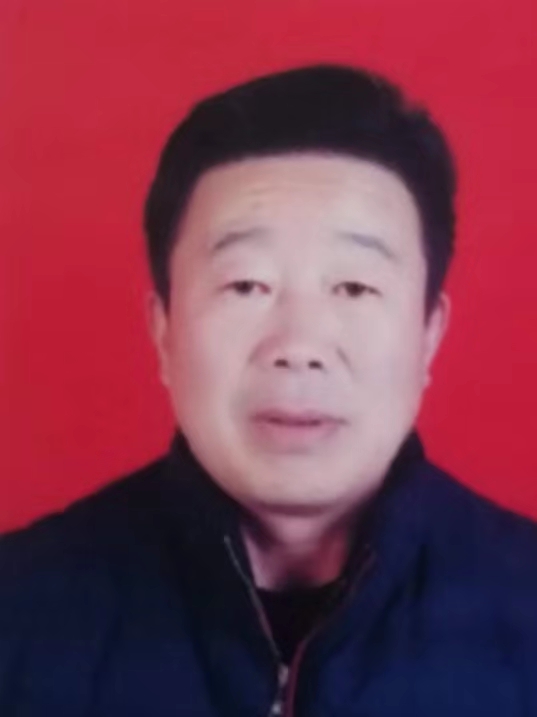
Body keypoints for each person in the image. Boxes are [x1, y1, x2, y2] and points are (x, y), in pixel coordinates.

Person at [1, 64, 536, 717]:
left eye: (355, 287)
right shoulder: (17, 611)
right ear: (163, 330)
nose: (298, 344)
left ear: (428, 335)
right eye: (245, 284)